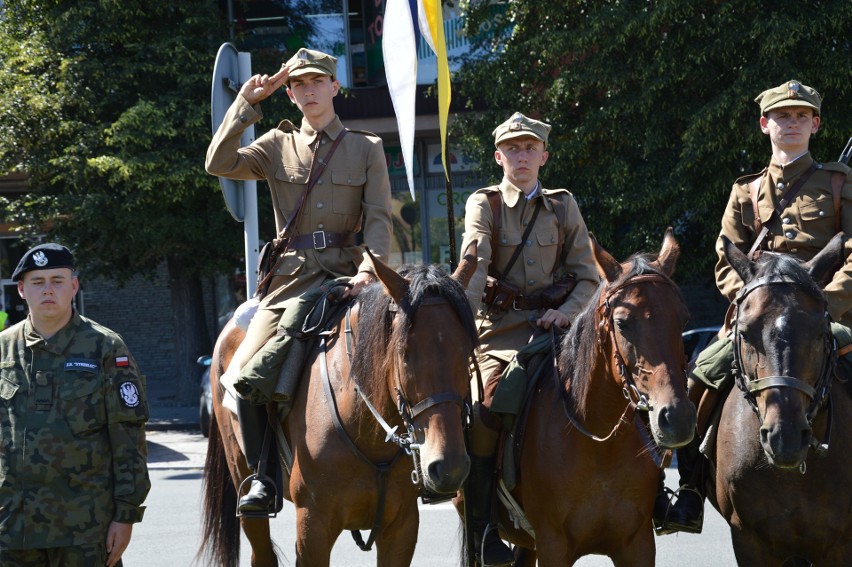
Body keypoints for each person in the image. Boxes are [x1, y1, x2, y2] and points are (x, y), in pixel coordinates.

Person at [659, 79, 852, 534]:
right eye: (783, 117)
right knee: (698, 378)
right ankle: (688, 491)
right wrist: (752, 301)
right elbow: (726, 258)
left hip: (826, 316)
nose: (792, 124)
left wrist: (824, 302)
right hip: (759, 316)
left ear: (816, 124)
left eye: (801, 117)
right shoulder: (745, 191)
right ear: (765, 124)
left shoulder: (840, 184)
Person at [205, 47, 392, 514]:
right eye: (299, 85)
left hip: (352, 281)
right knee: (242, 375)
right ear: (290, 94)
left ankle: (412, 457)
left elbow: (380, 222)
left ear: (334, 87)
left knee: (414, 347)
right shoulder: (274, 144)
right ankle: (264, 478)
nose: (309, 90)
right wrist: (246, 103)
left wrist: (370, 272)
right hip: (289, 285)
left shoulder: (366, 148)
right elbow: (218, 163)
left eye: (317, 82)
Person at [459, 112, 600, 566]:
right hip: (500, 334)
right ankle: (482, 526)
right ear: (499, 157)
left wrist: (568, 313)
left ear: (544, 155)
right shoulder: (485, 204)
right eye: (513, 149)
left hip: (559, 331)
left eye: (530, 148)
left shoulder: (563, 206)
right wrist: (463, 317)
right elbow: (475, 266)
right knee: (486, 409)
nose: (522, 156)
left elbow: (589, 277)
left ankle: (649, 493)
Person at [0, 243, 150, 567]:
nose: (48, 290)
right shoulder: (2, 350)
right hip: (11, 530)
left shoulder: (106, 347)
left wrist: (126, 516)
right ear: (22, 290)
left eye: (57, 280)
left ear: (74, 286)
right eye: (37, 282)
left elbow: (128, 439)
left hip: (86, 530)